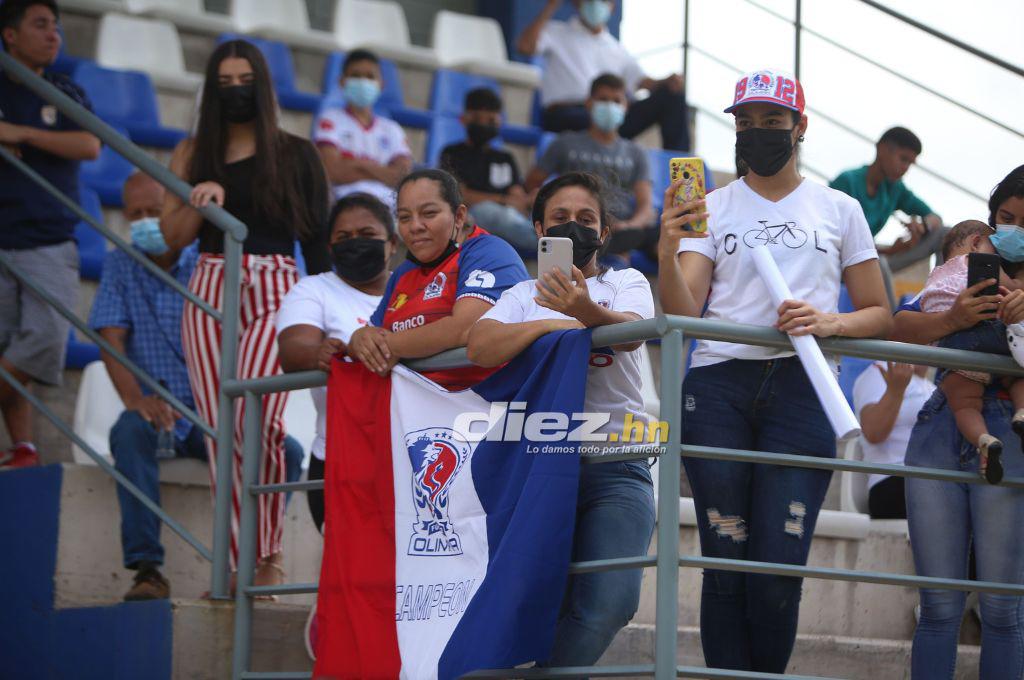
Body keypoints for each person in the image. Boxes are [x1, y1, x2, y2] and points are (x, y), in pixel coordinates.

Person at [656, 68, 891, 673]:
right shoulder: (710, 205)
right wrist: (666, 248)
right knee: (725, 559)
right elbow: (686, 312)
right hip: (718, 384)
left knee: (779, 569)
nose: (756, 133)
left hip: (804, 385)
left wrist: (827, 321)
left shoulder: (840, 207)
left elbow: (879, 312)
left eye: (771, 122)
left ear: (800, 127)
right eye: (745, 122)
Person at [160, 39, 330, 589]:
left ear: (262, 85)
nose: (236, 90)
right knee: (220, 430)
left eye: (244, 80)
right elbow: (171, 239)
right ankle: (236, 561)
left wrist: (333, 310)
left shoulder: (296, 153)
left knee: (261, 421)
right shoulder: (192, 153)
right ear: (212, 90)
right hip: (211, 283)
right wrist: (197, 201)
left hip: (278, 285)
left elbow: (318, 244)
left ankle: (269, 549)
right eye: (224, 82)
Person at [467, 171, 656, 668]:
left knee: (612, 602)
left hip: (620, 464)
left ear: (605, 232)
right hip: (540, 466)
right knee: (543, 602)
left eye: (586, 219)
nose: (574, 227)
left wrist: (583, 309)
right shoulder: (522, 295)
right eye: (560, 218)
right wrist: (554, 320)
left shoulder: (626, 281)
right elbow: (480, 346)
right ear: (538, 230)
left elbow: (633, 333)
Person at [90, 173, 302, 600]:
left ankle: (260, 561)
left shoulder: (210, 261)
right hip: (164, 415)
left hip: (219, 414)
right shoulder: (120, 263)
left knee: (290, 451)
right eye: (136, 215)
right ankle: (147, 569)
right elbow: (108, 339)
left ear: (174, 210)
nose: (147, 221)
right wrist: (136, 400)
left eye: (156, 211)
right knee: (129, 432)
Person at [893, 165, 1024, 680]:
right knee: (939, 608)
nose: (1012, 229)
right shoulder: (965, 263)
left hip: (1010, 431)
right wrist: (954, 319)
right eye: (1005, 218)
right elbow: (899, 323)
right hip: (941, 421)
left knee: (1002, 610)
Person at [0, 0, 100, 468]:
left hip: (48, 239)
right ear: (10, 35)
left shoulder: (64, 89)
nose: (53, 34)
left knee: (44, 337)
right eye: (40, 25)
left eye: (56, 26)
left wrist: (17, 134)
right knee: (7, 344)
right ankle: (24, 446)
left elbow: (88, 143)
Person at [276, 192, 397, 535]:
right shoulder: (314, 289)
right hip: (338, 461)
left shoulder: (416, 291)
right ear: (329, 246)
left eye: (367, 235)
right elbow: (293, 347)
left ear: (392, 243)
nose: (355, 244)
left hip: (409, 459)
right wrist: (318, 354)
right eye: (344, 238)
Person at [347, 169, 528, 391]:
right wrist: (358, 339)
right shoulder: (403, 273)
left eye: (429, 213)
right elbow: (371, 336)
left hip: (484, 409)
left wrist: (390, 345)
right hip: (414, 414)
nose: (415, 226)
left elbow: (466, 328)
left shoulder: (488, 251)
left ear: (459, 216)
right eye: (404, 217)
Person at [916, 220, 1024, 483]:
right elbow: (1013, 290)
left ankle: (983, 440)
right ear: (977, 243)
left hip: (960, 346)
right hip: (997, 331)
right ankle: (1021, 413)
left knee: (964, 403)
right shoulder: (985, 265)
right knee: (1017, 376)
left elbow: (926, 310)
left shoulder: (935, 276)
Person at [516, 0, 689, 151]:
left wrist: (666, 82)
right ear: (577, 2)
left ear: (612, 6)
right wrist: (551, 5)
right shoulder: (555, 32)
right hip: (567, 116)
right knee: (599, 121)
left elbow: (641, 82)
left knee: (672, 96)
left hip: (610, 117)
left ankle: (682, 168)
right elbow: (525, 47)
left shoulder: (616, 48)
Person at [526, 73, 654, 259]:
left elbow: (645, 205)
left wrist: (630, 226)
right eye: (603, 99)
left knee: (663, 230)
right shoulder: (565, 143)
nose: (610, 106)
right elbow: (532, 183)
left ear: (626, 106)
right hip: (574, 225)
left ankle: (607, 245)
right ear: (589, 103)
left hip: (619, 229)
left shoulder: (636, 153)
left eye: (616, 101)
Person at [830, 127, 944, 302]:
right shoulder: (847, 182)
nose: (905, 168)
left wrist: (923, 226)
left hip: (876, 258)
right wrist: (889, 250)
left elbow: (935, 217)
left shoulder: (895, 188)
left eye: (910, 163)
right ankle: (890, 324)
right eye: (903, 159)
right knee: (878, 263)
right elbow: (838, 244)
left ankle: (940, 302)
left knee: (944, 234)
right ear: (881, 149)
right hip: (843, 264)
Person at [312, 49, 412, 209]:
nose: (363, 81)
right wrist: (383, 171)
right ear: (342, 81)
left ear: (381, 84)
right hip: (343, 205)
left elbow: (402, 178)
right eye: (356, 75)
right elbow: (332, 171)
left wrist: (358, 164)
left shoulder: (393, 129)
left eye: (370, 76)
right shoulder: (330, 119)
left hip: (388, 209)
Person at [439, 87, 535, 252]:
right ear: (465, 119)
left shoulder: (505, 157)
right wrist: (503, 200)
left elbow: (517, 195)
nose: (485, 125)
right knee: (488, 211)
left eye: (491, 121)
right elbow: (460, 196)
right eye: (479, 119)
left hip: (507, 218)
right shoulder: (452, 153)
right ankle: (540, 241)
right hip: (473, 216)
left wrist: (529, 200)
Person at [852, 361, 934, 519]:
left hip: (929, 482)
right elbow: (873, 432)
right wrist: (895, 392)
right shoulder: (879, 371)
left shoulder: (931, 387)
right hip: (893, 480)